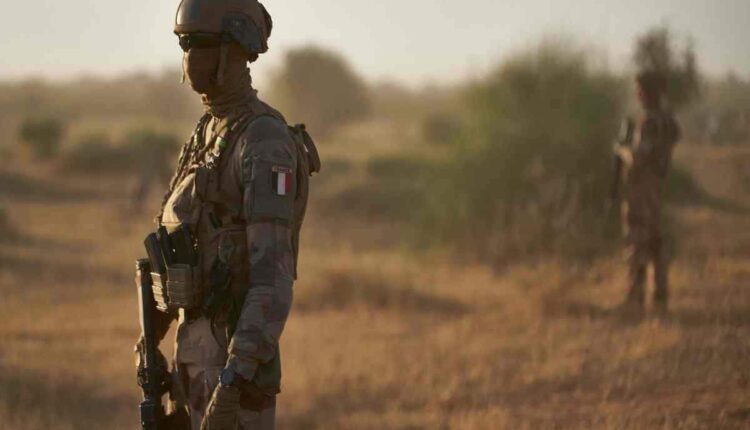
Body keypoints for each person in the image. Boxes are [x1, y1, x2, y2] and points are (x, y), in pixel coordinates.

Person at [135, 1, 319, 429]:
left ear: (234, 49)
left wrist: (233, 382)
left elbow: (272, 278)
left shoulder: (263, 140)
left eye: (199, 43)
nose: (188, 56)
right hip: (192, 359)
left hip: (233, 370)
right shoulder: (206, 131)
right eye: (184, 44)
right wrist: (150, 340)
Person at [613, 71, 680, 314]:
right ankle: (661, 297)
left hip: (642, 190)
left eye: (638, 89)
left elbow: (638, 159)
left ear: (644, 92)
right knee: (657, 242)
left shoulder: (649, 122)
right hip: (659, 188)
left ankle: (635, 298)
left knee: (637, 242)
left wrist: (620, 149)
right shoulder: (668, 121)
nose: (636, 93)